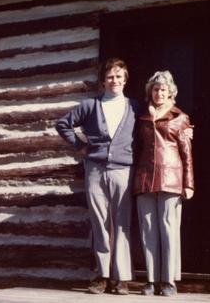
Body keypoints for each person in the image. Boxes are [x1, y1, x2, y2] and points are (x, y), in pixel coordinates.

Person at [55, 58, 140, 295]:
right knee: (100, 222)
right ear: (103, 81)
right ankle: (102, 275)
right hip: (95, 169)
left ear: (125, 80)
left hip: (123, 170)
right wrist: (80, 146)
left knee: (121, 222)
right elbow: (63, 124)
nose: (114, 81)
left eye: (119, 77)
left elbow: (153, 124)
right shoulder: (90, 106)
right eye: (110, 77)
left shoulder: (135, 107)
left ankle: (121, 278)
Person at [133, 71, 194, 297]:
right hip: (145, 178)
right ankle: (151, 280)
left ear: (171, 93)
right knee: (148, 229)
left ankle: (168, 281)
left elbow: (187, 153)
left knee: (169, 229)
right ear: (150, 92)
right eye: (156, 89)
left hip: (171, 179)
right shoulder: (141, 118)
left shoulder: (180, 117)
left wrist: (189, 183)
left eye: (163, 90)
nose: (159, 93)